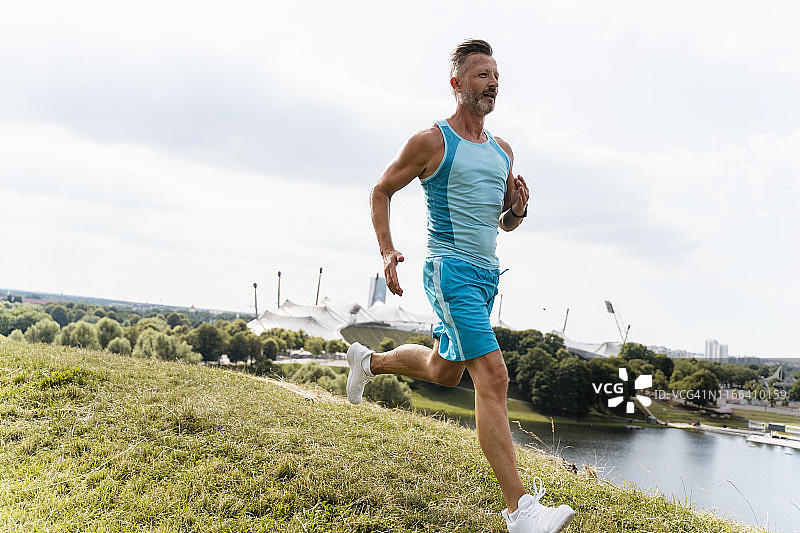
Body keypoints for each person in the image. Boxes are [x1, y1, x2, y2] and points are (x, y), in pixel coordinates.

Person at [346, 39, 575, 533]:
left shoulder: (502, 152)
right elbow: (381, 190)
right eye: (481, 75)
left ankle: (369, 363)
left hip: (487, 275)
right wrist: (387, 249)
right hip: (449, 272)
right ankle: (521, 513)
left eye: (496, 76)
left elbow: (505, 225)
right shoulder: (433, 141)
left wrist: (517, 209)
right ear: (456, 84)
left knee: (444, 371)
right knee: (493, 376)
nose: (492, 83)